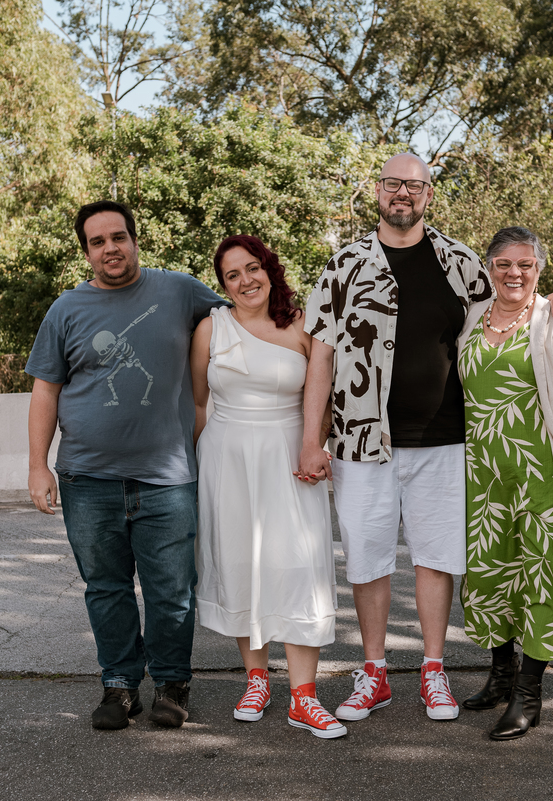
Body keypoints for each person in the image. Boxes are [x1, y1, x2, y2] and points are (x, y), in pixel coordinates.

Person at [297, 153, 553, 723]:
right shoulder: (344, 266)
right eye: (392, 183)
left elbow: (512, 302)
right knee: (367, 560)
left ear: (429, 194)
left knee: (437, 558)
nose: (402, 193)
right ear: (377, 191)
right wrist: (312, 440)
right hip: (360, 443)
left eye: (414, 185)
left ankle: (434, 671)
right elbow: (321, 358)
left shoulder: (461, 263)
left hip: (447, 440)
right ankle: (374, 673)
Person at [25, 200, 226, 731]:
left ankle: (172, 683)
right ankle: (119, 685)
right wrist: (38, 466)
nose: (110, 248)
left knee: (171, 591)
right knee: (106, 587)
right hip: (87, 479)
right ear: (86, 252)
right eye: (97, 242)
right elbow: (46, 390)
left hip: (168, 476)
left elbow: (243, 316)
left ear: (135, 240)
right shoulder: (66, 309)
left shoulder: (180, 291)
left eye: (118, 237)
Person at [191, 235, 347, 739]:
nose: (245, 281)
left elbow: (323, 394)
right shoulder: (210, 329)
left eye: (252, 268)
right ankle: (255, 679)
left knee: (299, 568)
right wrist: (194, 470)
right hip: (226, 459)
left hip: (289, 456)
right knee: (240, 564)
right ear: (223, 286)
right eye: (232, 275)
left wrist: (315, 444)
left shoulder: (302, 323)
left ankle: (305, 696)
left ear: (269, 269)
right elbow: (198, 404)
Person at [456, 226, 553, 741]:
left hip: (544, 472)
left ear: (539, 269)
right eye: (503, 264)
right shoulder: (473, 315)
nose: (514, 273)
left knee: (546, 575)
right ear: (488, 268)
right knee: (492, 573)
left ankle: (529, 694)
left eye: (525, 264)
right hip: (484, 475)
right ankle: (500, 674)